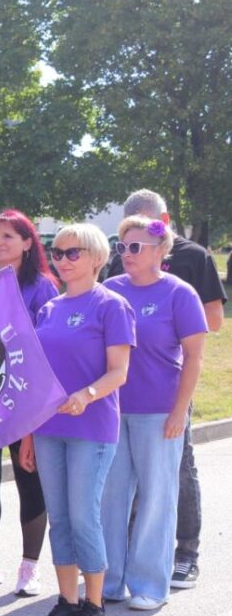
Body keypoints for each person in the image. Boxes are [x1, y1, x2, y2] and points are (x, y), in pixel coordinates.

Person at [105, 189, 224, 589]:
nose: (127, 252)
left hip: (160, 410)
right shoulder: (112, 289)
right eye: (122, 246)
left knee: (158, 499)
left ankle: (151, 583)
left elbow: (195, 356)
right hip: (113, 410)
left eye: (136, 246)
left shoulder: (179, 291)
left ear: (160, 249)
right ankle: (110, 581)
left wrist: (179, 412)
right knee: (113, 499)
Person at [21, 224, 133, 616]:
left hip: (91, 426)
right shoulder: (49, 309)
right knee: (61, 517)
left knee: (84, 515)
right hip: (49, 428)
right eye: (58, 252)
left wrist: (86, 394)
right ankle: (67, 602)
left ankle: (95, 605)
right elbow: (38, 377)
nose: (63, 260)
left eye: (74, 253)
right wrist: (29, 434)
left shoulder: (112, 305)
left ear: (97, 258)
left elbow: (119, 372)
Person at [0, 210, 59, 596]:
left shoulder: (43, 288)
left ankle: (30, 567)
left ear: (28, 242)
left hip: (27, 401)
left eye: (9, 235)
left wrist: (34, 419)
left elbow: (47, 352)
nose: (0, 242)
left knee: (29, 479)